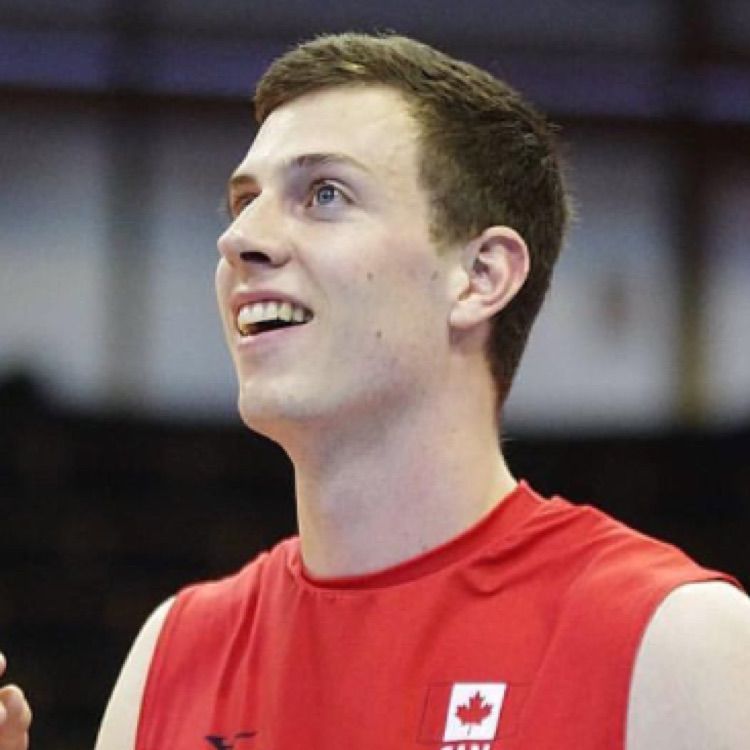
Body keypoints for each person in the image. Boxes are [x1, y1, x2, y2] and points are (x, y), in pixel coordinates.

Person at [3, 31, 749, 750]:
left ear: (480, 276)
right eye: (243, 201)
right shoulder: (172, 654)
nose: (238, 240)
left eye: (324, 194)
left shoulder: (673, 643)